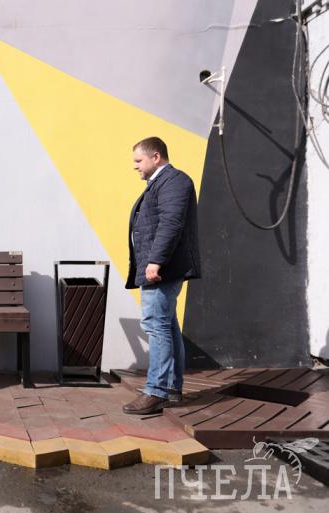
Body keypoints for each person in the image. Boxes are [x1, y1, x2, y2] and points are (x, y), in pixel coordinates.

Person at [122, 137, 200, 415]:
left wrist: (155, 261)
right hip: (161, 268)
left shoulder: (174, 181)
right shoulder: (163, 183)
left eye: (138, 160)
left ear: (156, 157)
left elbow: (171, 223)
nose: (135, 166)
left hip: (162, 269)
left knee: (156, 326)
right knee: (167, 326)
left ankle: (156, 391)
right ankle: (171, 389)